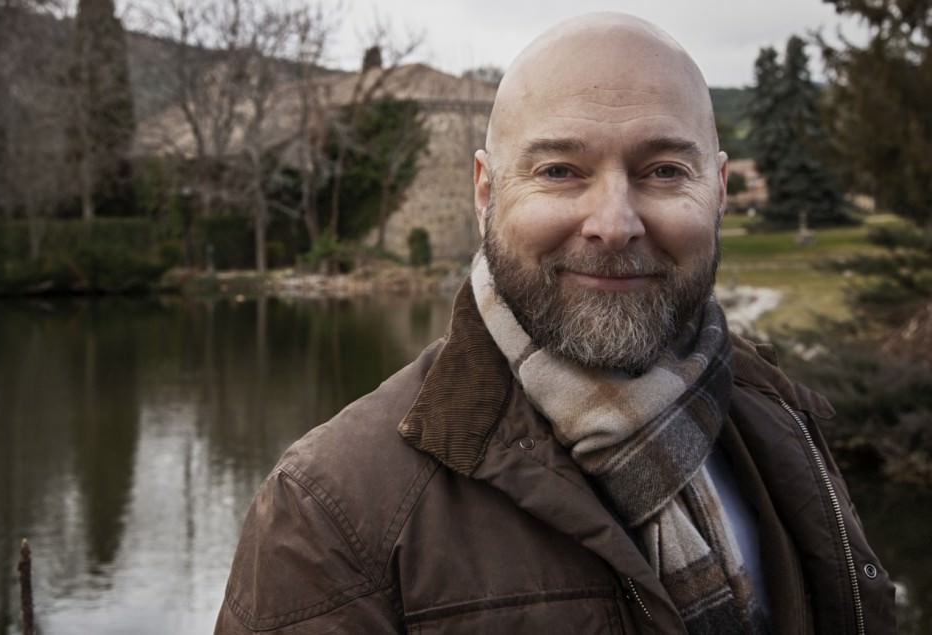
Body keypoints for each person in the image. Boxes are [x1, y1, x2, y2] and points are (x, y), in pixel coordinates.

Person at [215, 13, 896, 634]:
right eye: (561, 170)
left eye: (662, 170)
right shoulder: (333, 511)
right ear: (486, 192)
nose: (613, 224)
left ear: (718, 189)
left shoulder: (780, 416)